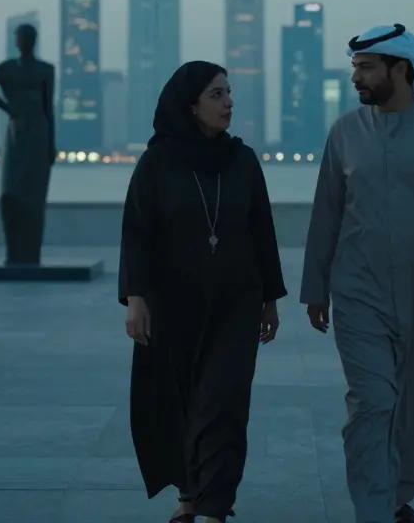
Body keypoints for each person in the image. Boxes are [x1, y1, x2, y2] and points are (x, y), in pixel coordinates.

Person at [300, 24, 414, 523]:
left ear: (400, 69)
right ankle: (375, 510)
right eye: (355, 67)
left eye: (366, 68)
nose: (356, 77)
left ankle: (397, 495)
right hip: (358, 290)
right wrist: (315, 288)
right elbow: (326, 214)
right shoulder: (345, 132)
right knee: (372, 401)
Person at [119, 60, 288, 523]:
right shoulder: (158, 162)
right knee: (178, 404)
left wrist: (270, 299)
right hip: (172, 305)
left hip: (235, 303)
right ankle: (190, 494)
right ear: (190, 105)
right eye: (216, 94)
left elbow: (262, 232)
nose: (228, 102)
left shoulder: (243, 160)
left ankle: (214, 507)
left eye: (229, 93)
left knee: (222, 403)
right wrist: (135, 298)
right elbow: (137, 232)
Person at [0, 23, 57, 265]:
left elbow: (48, 108)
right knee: (10, 193)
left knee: (35, 196)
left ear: (34, 40)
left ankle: (31, 254)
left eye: (27, 38)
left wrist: (52, 143)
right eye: (20, 38)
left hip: (39, 134)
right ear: (16, 41)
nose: (23, 42)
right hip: (16, 132)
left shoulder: (45, 70)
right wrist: (8, 108)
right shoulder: (8, 68)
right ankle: (13, 253)